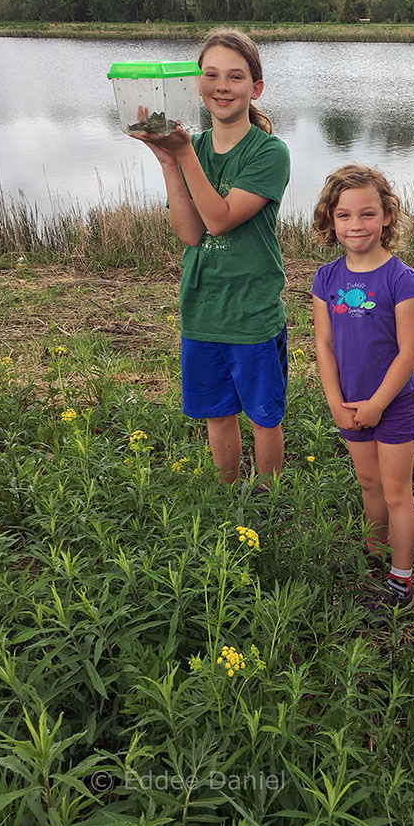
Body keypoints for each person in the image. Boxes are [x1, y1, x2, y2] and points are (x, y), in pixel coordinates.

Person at [129, 28, 290, 487]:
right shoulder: (190, 146)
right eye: (212, 74)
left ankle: (267, 503)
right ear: (197, 83)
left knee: (263, 417)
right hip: (202, 308)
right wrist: (167, 163)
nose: (223, 86)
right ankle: (227, 497)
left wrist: (183, 156)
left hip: (252, 310)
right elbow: (191, 233)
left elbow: (219, 219)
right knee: (217, 414)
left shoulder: (269, 153)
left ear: (255, 88)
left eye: (236, 77)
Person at [311, 165, 414, 614]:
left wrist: (378, 403)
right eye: (344, 215)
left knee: (397, 491)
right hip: (349, 402)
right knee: (368, 482)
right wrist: (335, 402)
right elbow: (322, 345)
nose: (355, 225)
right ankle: (374, 556)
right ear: (330, 221)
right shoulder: (326, 277)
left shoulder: (401, 278)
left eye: (366, 213)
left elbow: (409, 352)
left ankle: (401, 580)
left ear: (387, 217)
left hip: (392, 405)